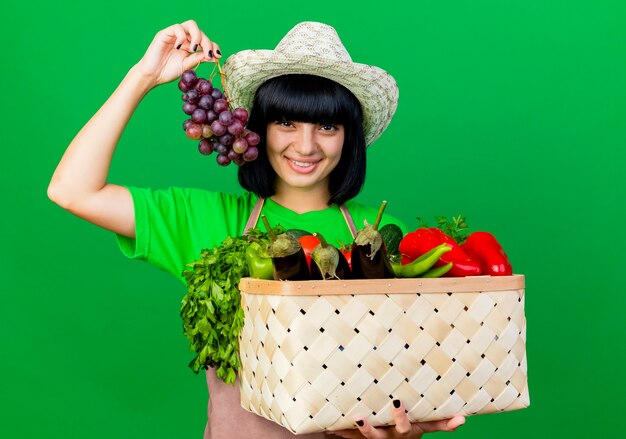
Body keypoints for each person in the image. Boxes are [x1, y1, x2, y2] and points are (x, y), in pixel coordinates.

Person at [48, 19, 466, 439]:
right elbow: (72, 190)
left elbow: (412, 367)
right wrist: (144, 77)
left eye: (326, 126)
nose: (305, 146)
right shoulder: (212, 222)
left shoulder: (381, 233)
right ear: (257, 128)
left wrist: (405, 428)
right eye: (286, 122)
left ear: (348, 137)